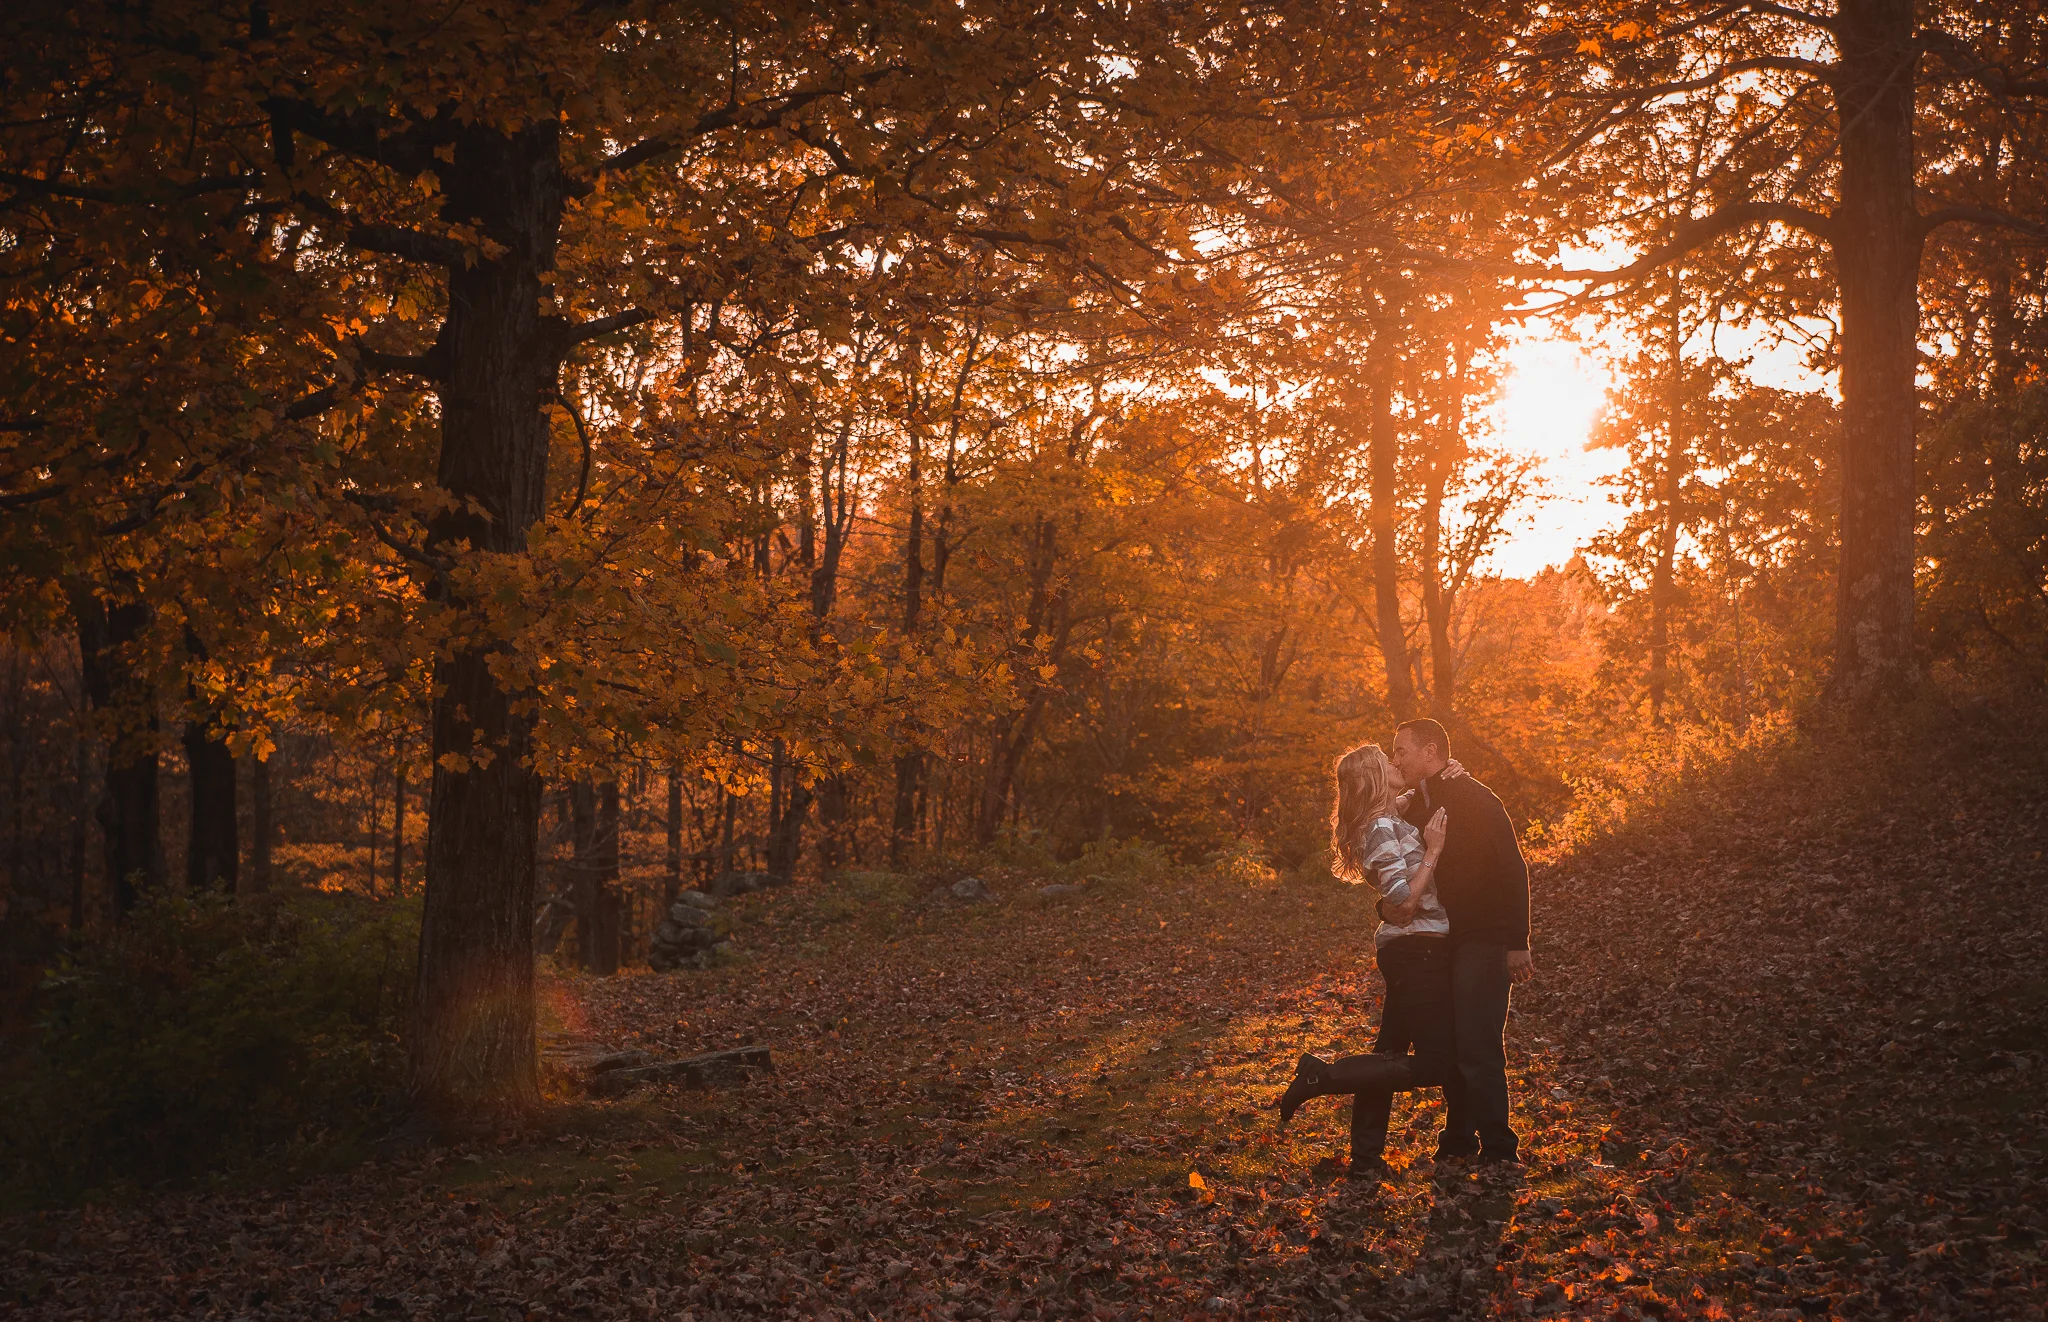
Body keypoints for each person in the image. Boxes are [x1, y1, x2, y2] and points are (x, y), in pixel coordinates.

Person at [1274, 742, 1455, 1176]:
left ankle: (1366, 1159)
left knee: (1387, 1056)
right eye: (1387, 761)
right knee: (1437, 1064)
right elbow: (1403, 902)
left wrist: (1443, 771)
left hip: (1414, 948)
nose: (1396, 763)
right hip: (1415, 949)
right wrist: (1433, 849)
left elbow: (1413, 794)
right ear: (1375, 776)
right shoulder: (1378, 827)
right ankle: (1323, 1077)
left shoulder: (1389, 817)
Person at [1389, 717, 1531, 1165]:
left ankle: (1500, 1147)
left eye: (1402, 751)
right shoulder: (1423, 800)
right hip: (1446, 938)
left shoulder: (1476, 797)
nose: (1397, 759)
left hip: (1485, 936)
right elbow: (1385, 812)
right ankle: (1459, 1138)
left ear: (1430, 752)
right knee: (1453, 1042)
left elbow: (1513, 868)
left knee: (1477, 1043)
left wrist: (1518, 941)